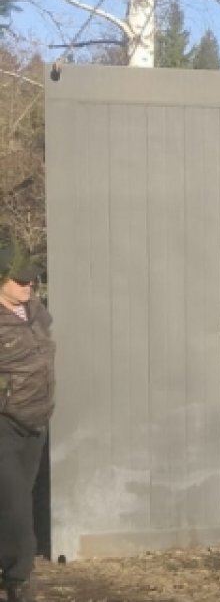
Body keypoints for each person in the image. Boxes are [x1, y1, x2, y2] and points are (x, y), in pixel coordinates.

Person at [0, 245, 54, 602]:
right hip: (4, 424)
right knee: (17, 506)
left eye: (31, 279)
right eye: (20, 279)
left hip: (36, 420)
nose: (28, 285)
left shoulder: (36, 311)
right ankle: (19, 579)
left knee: (12, 502)